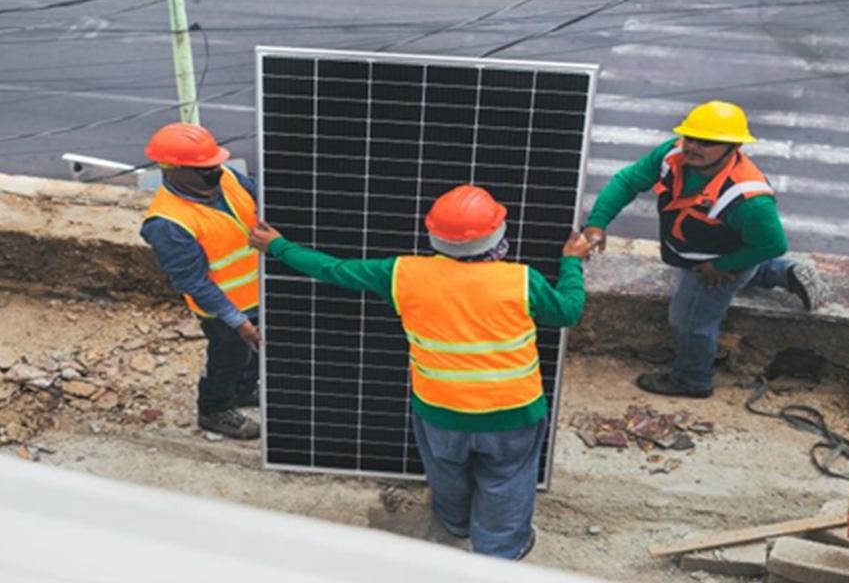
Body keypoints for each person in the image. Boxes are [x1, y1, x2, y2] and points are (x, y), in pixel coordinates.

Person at [249, 184, 591, 560]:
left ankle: (455, 523)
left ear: (434, 235)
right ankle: (501, 551)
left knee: (447, 471)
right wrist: (572, 262)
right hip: (512, 414)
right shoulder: (522, 281)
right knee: (507, 481)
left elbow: (334, 270)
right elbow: (568, 311)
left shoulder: (403, 274)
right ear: (497, 235)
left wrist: (279, 246)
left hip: (439, 411)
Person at [583, 100, 823, 399]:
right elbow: (628, 180)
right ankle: (782, 273)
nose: (694, 146)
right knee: (737, 276)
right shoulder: (672, 154)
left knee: (690, 320)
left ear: (733, 146)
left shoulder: (748, 199)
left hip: (714, 262)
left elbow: (773, 244)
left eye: (708, 142)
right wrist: (597, 224)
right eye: (691, 137)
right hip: (700, 250)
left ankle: (691, 380)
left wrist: (721, 267)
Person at [141, 122, 261, 439]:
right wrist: (237, 320)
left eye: (214, 163)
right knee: (230, 354)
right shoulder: (168, 223)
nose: (214, 172)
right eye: (204, 168)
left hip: (258, 292)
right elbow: (192, 282)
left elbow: (259, 196)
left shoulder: (229, 177)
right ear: (172, 170)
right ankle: (215, 409)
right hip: (221, 308)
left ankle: (243, 390)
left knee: (253, 352)